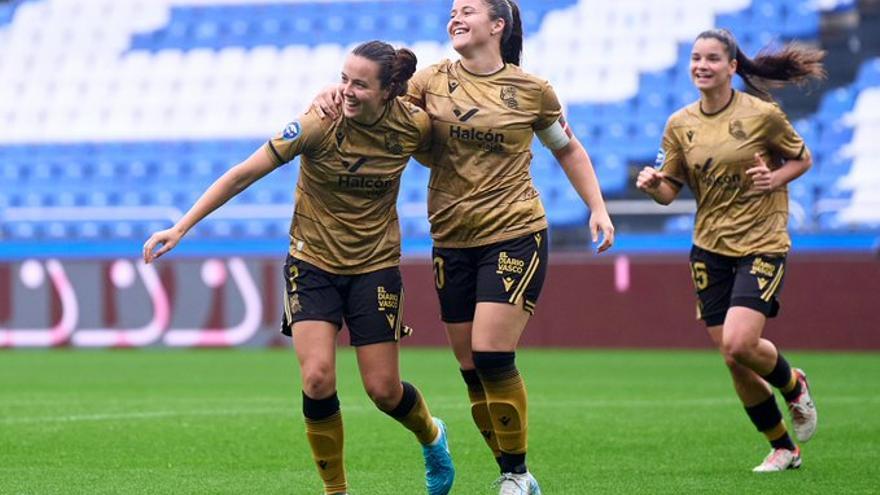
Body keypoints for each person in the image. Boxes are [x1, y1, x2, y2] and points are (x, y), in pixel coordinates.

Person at [313, 1, 614, 493]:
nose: (455, 15)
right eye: (453, 9)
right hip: (451, 239)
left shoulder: (532, 90)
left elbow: (568, 147)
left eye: (468, 9)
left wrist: (597, 207)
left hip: (514, 230)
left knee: (492, 355)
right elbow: (370, 94)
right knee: (472, 370)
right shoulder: (428, 80)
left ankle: (515, 477)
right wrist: (333, 89)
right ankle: (514, 471)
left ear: (497, 25)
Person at [142, 41, 455, 495]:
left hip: (375, 266)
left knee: (384, 391)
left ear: (389, 90)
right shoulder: (316, 124)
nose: (346, 91)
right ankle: (336, 490)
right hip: (312, 263)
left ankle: (432, 434)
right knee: (316, 377)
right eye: (343, 79)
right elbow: (243, 173)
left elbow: (452, 153)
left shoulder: (412, 127)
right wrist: (182, 226)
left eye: (359, 84)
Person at [636, 29, 823, 472]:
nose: (702, 66)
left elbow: (803, 158)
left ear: (732, 67)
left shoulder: (762, 115)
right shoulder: (679, 124)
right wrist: (652, 186)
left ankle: (793, 383)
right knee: (733, 359)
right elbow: (669, 193)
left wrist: (774, 179)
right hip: (709, 249)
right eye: (696, 58)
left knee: (741, 342)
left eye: (712, 59)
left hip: (761, 240)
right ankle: (783, 447)